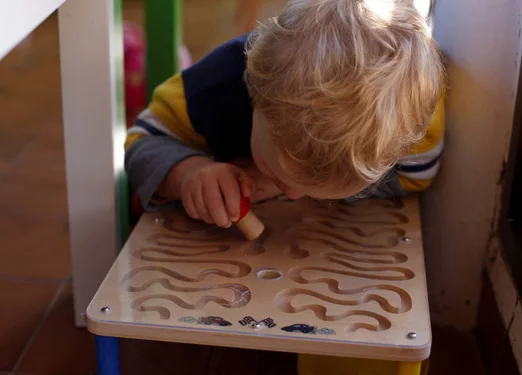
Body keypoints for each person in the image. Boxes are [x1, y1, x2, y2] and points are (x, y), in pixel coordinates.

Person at [125, 0, 445, 229]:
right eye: (276, 170)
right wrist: (187, 173)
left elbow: (413, 179)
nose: (292, 193)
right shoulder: (210, 89)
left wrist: (276, 179)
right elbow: (141, 140)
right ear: (255, 91)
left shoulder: (411, 122)